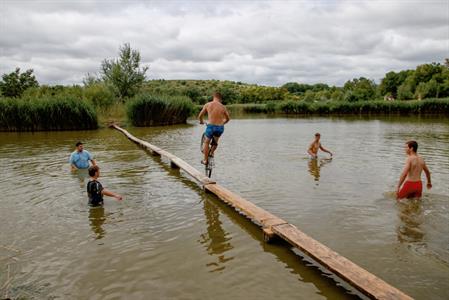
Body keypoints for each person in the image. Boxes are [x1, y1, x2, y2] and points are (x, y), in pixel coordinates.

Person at [198, 92, 230, 164]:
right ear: (220, 99)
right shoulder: (223, 107)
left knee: (206, 142)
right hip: (220, 128)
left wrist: (201, 121)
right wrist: (222, 123)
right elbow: (228, 119)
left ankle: (205, 160)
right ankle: (212, 153)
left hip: (211, 126)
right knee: (215, 142)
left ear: (214, 97)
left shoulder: (208, 104)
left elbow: (200, 116)